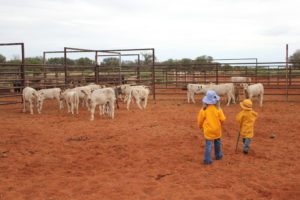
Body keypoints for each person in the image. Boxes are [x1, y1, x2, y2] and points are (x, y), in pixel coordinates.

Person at [197, 90, 226, 165]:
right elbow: (223, 119)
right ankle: (218, 155)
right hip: (217, 130)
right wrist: (219, 124)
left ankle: (207, 160)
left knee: (208, 145)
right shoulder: (218, 109)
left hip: (208, 130)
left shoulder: (203, 110)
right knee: (217, 143)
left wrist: (200, 126)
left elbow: (200, 120)